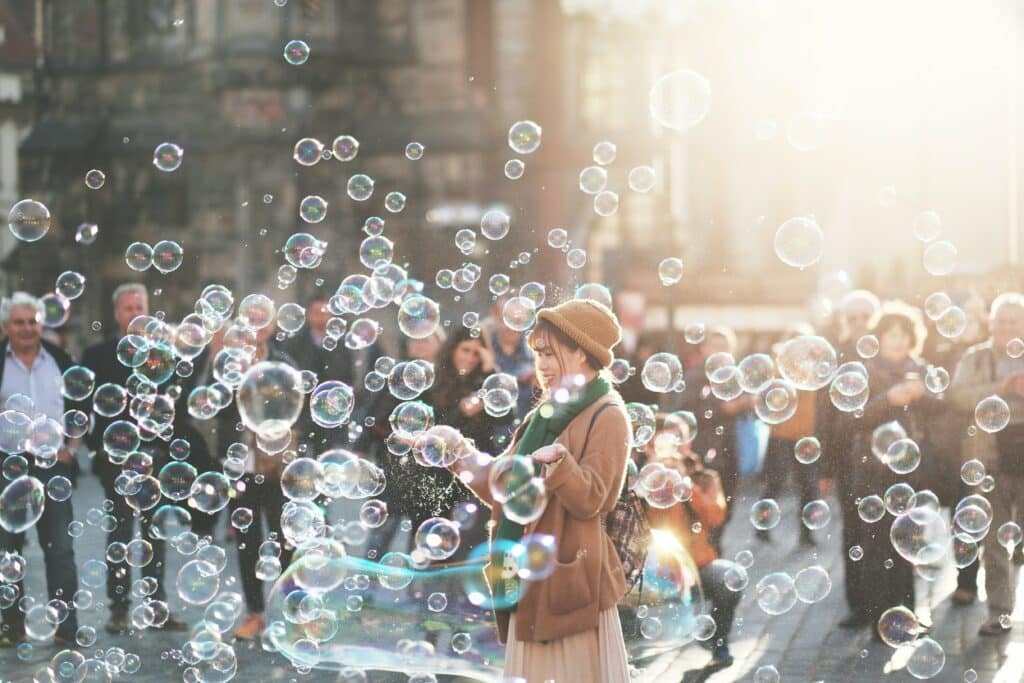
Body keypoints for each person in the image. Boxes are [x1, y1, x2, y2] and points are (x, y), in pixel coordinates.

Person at [451, 299, 631, 682]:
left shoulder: (608, 413)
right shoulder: (544, 414)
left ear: (581, 352)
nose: (542, 365)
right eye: (538, 354)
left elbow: (594, 499)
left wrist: (560, 464)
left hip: (570, 589)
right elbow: (506, 484)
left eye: (550, 353)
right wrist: (456, 454)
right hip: (526, 578)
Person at [81, 284, 187, 634]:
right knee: (121, 536)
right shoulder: (97, 355)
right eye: (127, 308)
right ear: (117, 314)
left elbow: (176, 407)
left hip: (155, 459)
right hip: (116, 461)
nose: (134, 313)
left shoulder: (163, 354)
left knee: (155, 535)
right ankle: (120, 609)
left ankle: (156, 608)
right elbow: (85, 407)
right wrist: (101, 451)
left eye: (139, 306)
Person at [840, 301, 943, 632]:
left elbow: (945, 409)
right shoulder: (866, 371)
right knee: (875, 547)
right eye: (890, 334)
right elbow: (849, 418)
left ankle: (906, 617)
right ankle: (878, 620)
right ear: (879, 338)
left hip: (912, 472)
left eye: (903, 334)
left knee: (909, 543)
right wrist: (889, 399)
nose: (897, 341)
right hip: (873, 472)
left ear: (913, 338)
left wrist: (923, 395)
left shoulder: (922, 370)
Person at [0, 293, 81, 646]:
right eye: (19, 322)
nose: (27, 328)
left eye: (32, 321)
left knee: (60, 547)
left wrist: (71, 449)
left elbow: (82, 408)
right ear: (6, 327)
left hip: (52, 465)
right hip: (6, 464)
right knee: (6, 549)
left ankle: (67, 625)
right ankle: (8, 627)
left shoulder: (60, 359)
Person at [949, 292, 1024, 635]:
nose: (1008, 326)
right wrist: (1001, 387)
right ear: (990, 323)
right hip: (989, 459)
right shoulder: (975, 358)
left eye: (1015, 320)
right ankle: (1000, 612)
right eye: (1002, 320)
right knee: (995, 541)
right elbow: (958, 396)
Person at [220, 316, 298, 640]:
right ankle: (255, 613)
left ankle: (290, 612)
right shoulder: (226, 364)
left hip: (277, 465)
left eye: (264, 320)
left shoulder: (283, 364)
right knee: (247, 542)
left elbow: (296, 409)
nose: (258, 326)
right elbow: (216, 411)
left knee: (285, 539)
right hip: (242, 464)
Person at [645, 416, 741, 670]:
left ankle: (717, 642)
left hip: (696, 566)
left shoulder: (703, 477)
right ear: (648, 447)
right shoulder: (636, 480)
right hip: (652, 570)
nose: (678, 447)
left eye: (682, 440)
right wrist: (649, 480)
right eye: (668, 442)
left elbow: (717, 516)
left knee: (731, 577)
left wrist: (685, 485)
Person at [820, 289, 881, 621]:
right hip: (847, 458)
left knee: (885, 529)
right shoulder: (838, 358)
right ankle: (858, 604)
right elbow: (825, 416)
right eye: (852, 317)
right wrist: (825, 466)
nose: (859, 323)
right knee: (854, 531)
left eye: (865, 316)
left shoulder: (887, 354)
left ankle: (885, 599)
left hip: (885, 456)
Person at [665, 325, 751, 546]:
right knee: (704, 512)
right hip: (703, 452)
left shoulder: (733, 378)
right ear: (704, 350)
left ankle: (714, 552)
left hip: (728, 451)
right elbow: (683, 413)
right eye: (716, 347)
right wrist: (726, 409)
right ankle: (708, 558)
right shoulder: (695, 377)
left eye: (726, 347)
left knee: (725, 509)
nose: (721, 352)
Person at [282, 294, 382, 452]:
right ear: (308, 315)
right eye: (316, 312)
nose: (321, 317)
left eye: (325, 312)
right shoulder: (294, 344)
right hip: (302, 415)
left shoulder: (345, 345)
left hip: (335, 414)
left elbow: (351, 376)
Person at [758, 324, 824, 547]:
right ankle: (761, 527)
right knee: (774, 482)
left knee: (808, 486)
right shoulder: (779, 368)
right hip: (781, 434)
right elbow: (768, 397)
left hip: (805, 434)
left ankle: (807, 533)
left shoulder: (814, 370)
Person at [488, 294, 537, 426]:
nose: (513, 326)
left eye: (519, 319)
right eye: (507, 319)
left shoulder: (537, 353)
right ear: (494, 315)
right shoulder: (480, 349)